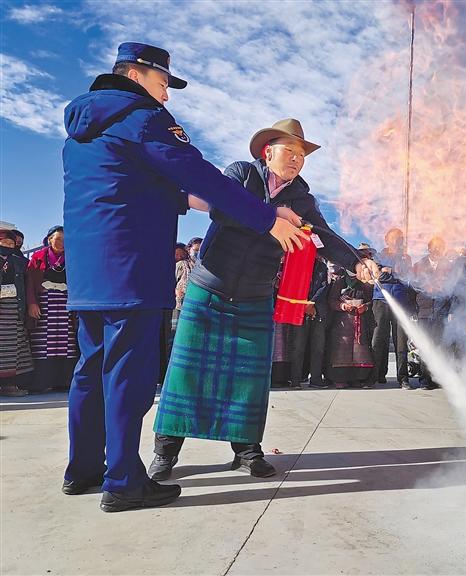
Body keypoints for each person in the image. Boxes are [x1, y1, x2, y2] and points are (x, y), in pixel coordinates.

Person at [62, 42, 305, 513]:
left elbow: (124, 187)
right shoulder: (143, 118)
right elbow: (199, 174)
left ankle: (84, 468)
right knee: (128, 376)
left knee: (90, 370)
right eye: (162, 83)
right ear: (135, 76)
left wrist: (184, 200)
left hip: (90, 272)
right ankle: (124, 482)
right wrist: (265, 217)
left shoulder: (82, 131)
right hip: (133, 268)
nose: (166, 95)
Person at [150, 118, 377, 481]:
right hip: (209, 287)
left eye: (302, 155)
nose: (297, 159)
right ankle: (165, 453)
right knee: (186, 375)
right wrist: (272, 217)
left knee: (249, 383)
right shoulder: (241, 173)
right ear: (268, 152)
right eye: (290, 151)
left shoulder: (302, 198)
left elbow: (324, 237)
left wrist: (357, 262)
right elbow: (222, 208)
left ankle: (247, 452)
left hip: (255, 295)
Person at [25, 226, 78, 393]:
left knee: (66, 342)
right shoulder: (38, 257)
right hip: (44, 303)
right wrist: (32, 303)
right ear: (49, 239)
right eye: (58, 239)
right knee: (43, 343)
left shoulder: (72, 257)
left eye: (65, 240)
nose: (62, 243)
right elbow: (30, 282)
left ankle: (64, 382)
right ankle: (42, 382)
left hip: (65, 304)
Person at [371, 228, 413, 389]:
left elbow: (406, 275)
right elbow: (378, 275)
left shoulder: (406, 257)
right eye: (394, 238)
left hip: (400, 302)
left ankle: (403, 378)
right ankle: (375, 376)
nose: (397, 241)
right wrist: (392, 273)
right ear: (386, 240)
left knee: (401, 342)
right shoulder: (378, 256)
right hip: (381, 300)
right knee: (378, 340)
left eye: (399, 238)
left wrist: (390, 271)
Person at [413, 236, 452, 389]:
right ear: (429, 249)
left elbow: (454, 289)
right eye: (434, 247)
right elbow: (412, 287)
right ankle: (425, 379)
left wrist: (451, 311)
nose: (437, 249)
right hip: (424, 311)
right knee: (425, 345)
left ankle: (436, 377)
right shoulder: (419, 265)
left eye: (440, 247)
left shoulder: (448, 267)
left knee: (439, 346)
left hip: (441, 312)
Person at [326, 269, 376, 389]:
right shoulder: (339, 282)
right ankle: (339, 378)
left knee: (359, 351)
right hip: (342, 323)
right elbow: (331, 300)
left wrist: (365, 307)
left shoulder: (365, 283)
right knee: (341, 351)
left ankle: (357, 378)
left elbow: (371, 300)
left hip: (359, 321)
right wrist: (342, 305)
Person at [0, 229, 32, 397]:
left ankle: (9, 385)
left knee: (13, 347)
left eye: (11, 243)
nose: (8, 246)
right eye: (4, 242)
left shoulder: (19, 261)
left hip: (13, 308)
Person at [291, 256, 329, 389]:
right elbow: (293, 286)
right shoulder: (296, 265)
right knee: (298, 346)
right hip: (299, 310)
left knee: (318, 347)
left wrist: (312, 303)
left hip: (318, 311)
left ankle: (316, 379)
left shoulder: (322, 267)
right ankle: (295, 380)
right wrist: (304, 304)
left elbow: (324, 286)